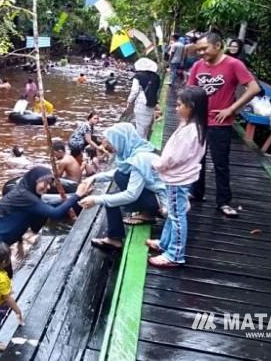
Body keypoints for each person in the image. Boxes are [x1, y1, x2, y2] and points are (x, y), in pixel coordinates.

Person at [0, 166, 88, 318]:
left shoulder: (28, 195)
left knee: (3, 277)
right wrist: (77, 195)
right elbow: (55, 213)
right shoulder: (24, 195)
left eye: (49, 184)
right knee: (1, 277)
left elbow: (15, 218)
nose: (46, 188)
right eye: (44, 183)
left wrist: (19, 242)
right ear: (34, 180)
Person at [188, 31, 261, 217]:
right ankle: (196, 193)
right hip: (199, 121)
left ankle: (223, 201)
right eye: (198, 50)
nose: (201, 53)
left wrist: (231, 109)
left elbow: (254, 88)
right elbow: (190, 90)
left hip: (220, 123)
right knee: (197, 159)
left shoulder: (234, 64)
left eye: (204, 49)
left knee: (220, 163)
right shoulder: (197, 66)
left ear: (218, 45)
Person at [78, 123, 166, 251]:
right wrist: (94, 178)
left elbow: (131, 194)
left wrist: (96, 200)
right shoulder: (136, 151)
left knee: (115, 189)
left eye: (110, 142)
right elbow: (120, 172)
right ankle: (115, 237)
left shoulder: (140, 158)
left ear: (121, 140)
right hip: (155, 198)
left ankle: (146, 215)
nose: (107, 147)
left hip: (162, 204)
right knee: (117, 182)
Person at [147, 86, 208, 268]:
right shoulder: (195, 126)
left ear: (191, 106)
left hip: (177, 179)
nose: (176, 108)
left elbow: (173, 158)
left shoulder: (190, 131)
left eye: (179, 105)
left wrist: (157, 163)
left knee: (177, 216)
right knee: (173, 213)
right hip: (182, 177)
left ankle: (175, 254)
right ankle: (165, 243)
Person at [127, 58, 161, 139]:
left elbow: (134, 91)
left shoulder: (138, 76)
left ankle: (140, 143)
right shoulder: (156, 77)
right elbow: (155, 91)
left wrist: (129, 100)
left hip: (141, 102)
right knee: (146, 125)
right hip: (152, 103)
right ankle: (144, 140)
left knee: (140, 125)